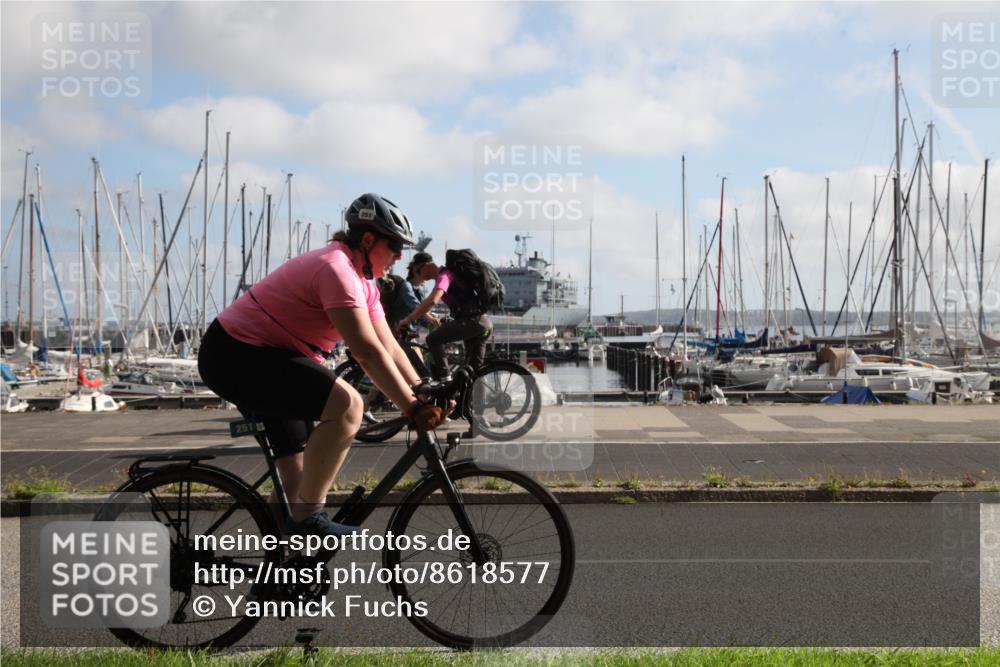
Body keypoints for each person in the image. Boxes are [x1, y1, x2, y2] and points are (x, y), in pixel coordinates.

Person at [198, 193, 444, 538]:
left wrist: (421, 388)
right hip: (236, 355)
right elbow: (366, 353)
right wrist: (412, 407)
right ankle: (308, 519)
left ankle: (278, 569)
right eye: (394, 246)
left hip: (270, 356)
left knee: (296, 483)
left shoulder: (364, 283)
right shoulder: (336, 269)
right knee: (347, 406)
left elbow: (387, 343)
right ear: (369, 239)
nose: (400, 256)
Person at [397, 256, 492, 381]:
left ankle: (445, 379)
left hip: (473, 322)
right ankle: (473, 400)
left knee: (432, 339)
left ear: (427, 265)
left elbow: (432, 301)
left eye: (418, 270)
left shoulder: (444, 276)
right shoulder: (448, 276)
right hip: (482, 323)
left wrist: (408, 319)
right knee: (473, 374)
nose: (418, 275)